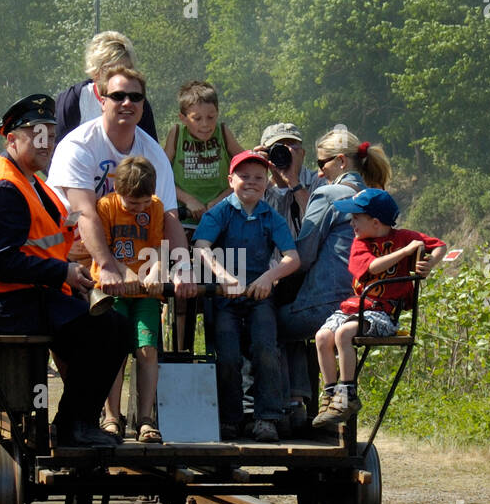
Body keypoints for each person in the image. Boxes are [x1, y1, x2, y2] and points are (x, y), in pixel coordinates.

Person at [0, 94, 131, 448]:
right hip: (4, 304)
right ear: (12, 140)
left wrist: (72, 258)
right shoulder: (4, 187)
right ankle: (74, 425)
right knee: (109, 330)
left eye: (51, 136)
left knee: (111, 326)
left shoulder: (28, 179)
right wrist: (62, 273)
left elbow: (37, 242)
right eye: (37, 135)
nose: (47, 144)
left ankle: (75, 421)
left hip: (26, 296)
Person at [47, 64, 195, 300]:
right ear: (102, 101)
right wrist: (107, 266)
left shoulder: (153, 154)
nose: (127, 103)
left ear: (143, 105)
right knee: (83, 234)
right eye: (118, 96)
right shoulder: (78, 146)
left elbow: (169, 216)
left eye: (135, 97)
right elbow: (82, 213)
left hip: (128, 248)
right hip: (72, 242)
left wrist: (182, 268)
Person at [278, 127, 393, 426]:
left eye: (321, 164)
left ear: (341, 161)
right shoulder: (375, 198)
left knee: (270, 322)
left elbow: (302, 257)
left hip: (329, 306)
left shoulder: (330, 193)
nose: (317, 173)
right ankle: (308, 402)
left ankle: (290, 405)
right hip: (366, 305)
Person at [310, 189, 444, 428]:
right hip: (358, 308)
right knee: (322, 337)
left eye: (356, 219)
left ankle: (347, 394)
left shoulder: (404, 236)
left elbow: (440, 245)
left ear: (375, 222)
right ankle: (330, 395)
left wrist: (429, 264)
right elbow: (372, 268)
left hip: (383, 313)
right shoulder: (360, 244)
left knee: (343, 334)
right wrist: (404, 252)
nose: (352, 224)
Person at [193, 151, 300, 442]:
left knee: (266, 350)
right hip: (224, 298)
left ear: (266, 183)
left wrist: (268, 277)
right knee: (226, 356)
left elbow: (292, 258)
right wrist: (224, 277)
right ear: (231, 180)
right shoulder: (221, 212)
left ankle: (267, 418)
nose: (251, 182)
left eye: (258, 177)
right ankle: (230, 419)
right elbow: (201, 246)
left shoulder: (270, 216)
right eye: (244, 176)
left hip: (259, 295)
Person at [93, 156, 167, 443]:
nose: (138, 209)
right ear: (117, 189)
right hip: (115, 291)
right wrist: (125, 272)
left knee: (147, 351)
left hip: (146, 294)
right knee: (114, 351)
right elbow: (104, 251)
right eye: (132, 204)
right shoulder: (106, 207)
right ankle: (112, 416)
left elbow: (159, 246)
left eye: (143, 203)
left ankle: (146, 419)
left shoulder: (156, 207)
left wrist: (157, 271)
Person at [162, 80, 243, 222]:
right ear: (183, 118)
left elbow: (246, 170)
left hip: (222, 215)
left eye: (211, 117)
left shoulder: (223, 132)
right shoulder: (177, 134)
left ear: (217, 113)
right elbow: (160, 175)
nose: (205, 124)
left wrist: (222, 200)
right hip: (185, 217)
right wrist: (188, 200)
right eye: (197, 118)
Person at [55, 31, 158, 141]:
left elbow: (149, 149)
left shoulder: (136, 102)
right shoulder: (75, 98)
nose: (120, 76)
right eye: (112, 70)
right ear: (96, 71)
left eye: (126, 70)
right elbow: (58, 147)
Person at [260, 123, 325, 237]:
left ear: (303, 153)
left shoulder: (320, 182)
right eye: (278, 148)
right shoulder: (259, 189)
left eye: (292, 147)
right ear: (265, 155)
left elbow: (323, 226)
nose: (285, 154)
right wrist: (255, 169)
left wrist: (294, 183)